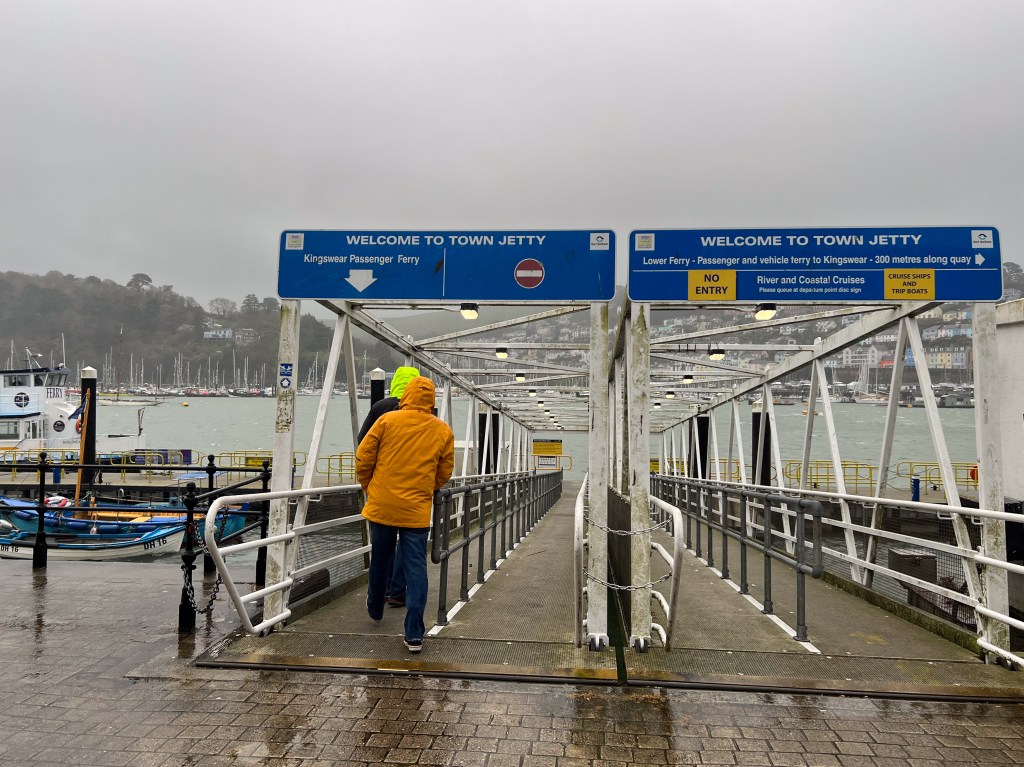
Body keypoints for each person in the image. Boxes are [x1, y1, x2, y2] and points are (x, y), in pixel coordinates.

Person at [356, 375, 454, 653]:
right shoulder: (442, 430)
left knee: (380, 558)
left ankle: (375, 607)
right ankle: (414, 634)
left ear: (406, 396)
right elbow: (445, 471)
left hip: (382, 505)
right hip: (416, 511)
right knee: (416, 568)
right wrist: (426, 488)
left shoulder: (386, 421)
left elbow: (363, 457)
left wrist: (370, 486)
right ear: (431, 401)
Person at [356, 366, 420, 606]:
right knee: (408, 543)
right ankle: (398, 591)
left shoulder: (380, 408)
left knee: (383, 544)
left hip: (383, 488)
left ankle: (380, 591)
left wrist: (368, 481)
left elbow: (363, 443)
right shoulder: (426, 412)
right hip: (414, 489)